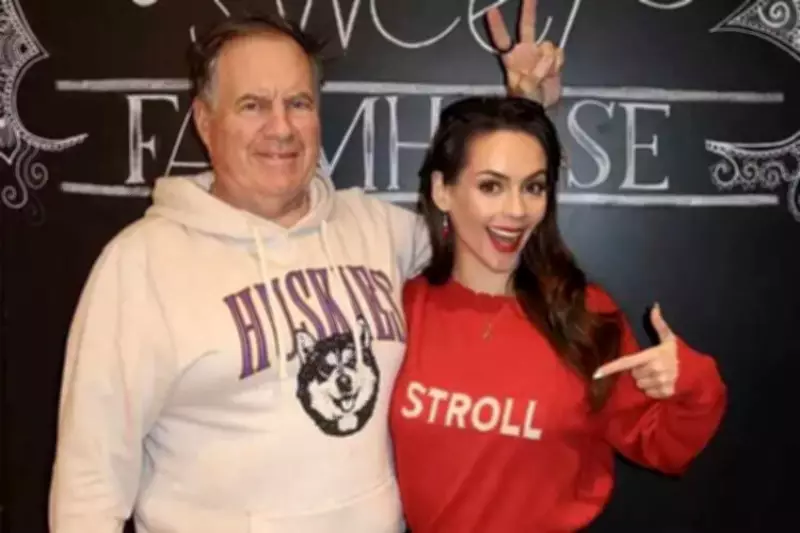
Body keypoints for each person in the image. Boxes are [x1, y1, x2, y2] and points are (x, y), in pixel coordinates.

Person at [47, 1, 564, 532]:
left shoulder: (376, 229)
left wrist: (523, 112)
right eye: (253, 105)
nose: (281, 128)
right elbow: (89, 486)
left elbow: (485, 229)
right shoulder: (141, 264)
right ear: (204, 120)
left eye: (298, 103)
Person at [388, 95, 728, 532]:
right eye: (491, 186)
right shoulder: (402, 309)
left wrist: (691, 383)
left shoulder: (582, 312)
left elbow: (662, 444)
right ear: (442, 191)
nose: (516, 210)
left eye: (533, 187)